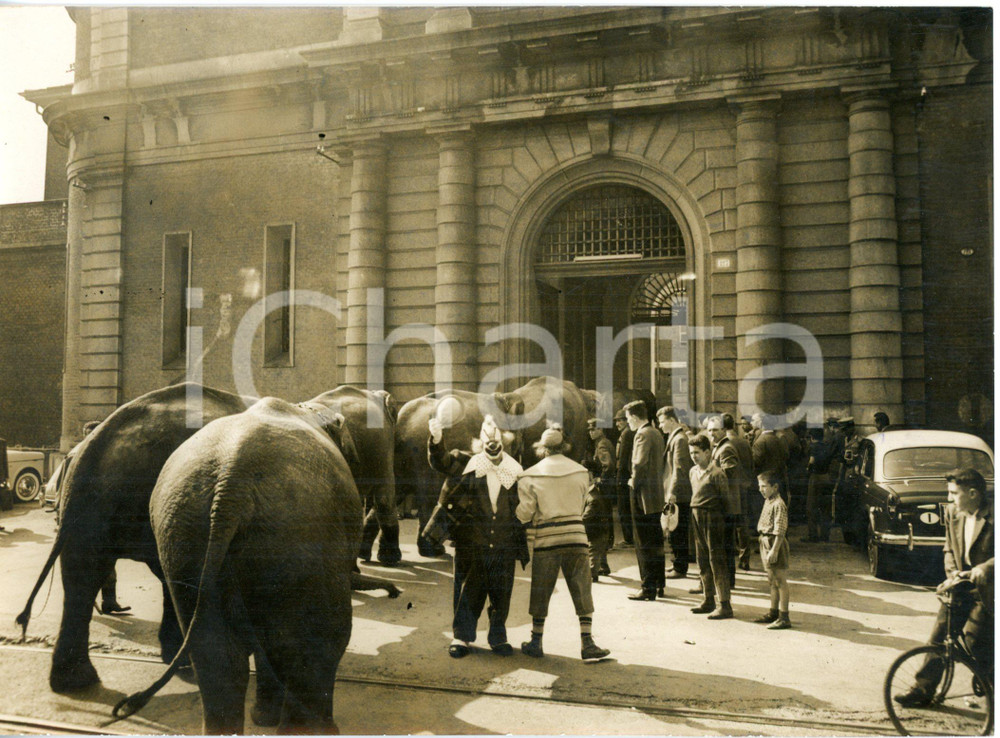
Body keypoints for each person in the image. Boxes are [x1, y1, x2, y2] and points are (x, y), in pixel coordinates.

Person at [422, 414, 528, 658]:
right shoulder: (464, 461)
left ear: (504, 439)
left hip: (504, 543)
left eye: (496, 431)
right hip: (471, 542)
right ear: (479, 439)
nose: (492, 435)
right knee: (468, 590)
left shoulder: (514, 468)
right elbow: (441, 461)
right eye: (487, 430)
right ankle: (461, 637)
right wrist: (437, 440)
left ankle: (498, 637)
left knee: (501, 592)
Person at [894, 468, 994, 707]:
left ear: (972, 493)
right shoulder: (953, 512)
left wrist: (986, 567)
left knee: (976, 641)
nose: (949, 499)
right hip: (960, 586)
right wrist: (952, 575)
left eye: (953, 493)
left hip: (988, 590)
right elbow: (949, 548)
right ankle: (922, 690)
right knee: (940, 636)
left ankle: (989, 681)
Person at [516, 424, 611, 662]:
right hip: (576, 537)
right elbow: (581, 505)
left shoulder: (529, 475)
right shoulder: (580, 471)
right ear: (563, 447)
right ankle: (587, 642)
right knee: (582, 589)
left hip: (546, 539)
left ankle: (536, 641)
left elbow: (525, 514)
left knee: (541, 589)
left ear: (543, 449)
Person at [687, 433, 734, 619]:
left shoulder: (717, 474)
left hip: (713, 518)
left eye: (697, 452)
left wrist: (722, 524)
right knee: (702, 559)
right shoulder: (692, 472)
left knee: (717, 560)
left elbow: (726, 502)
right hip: (696, 515)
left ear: (708, 452)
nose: (694, 456)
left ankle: (725, 604)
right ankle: (708, 599)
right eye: (691, 453)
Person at [624, 400, 666, 600]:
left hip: (642, 494)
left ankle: (647, 587)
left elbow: (639, 463)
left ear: (633, 417)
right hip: (656, 494)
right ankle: (659, 584)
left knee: (643, 542)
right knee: (655, 539)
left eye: (627, 419)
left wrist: (633, 480)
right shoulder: (656, 432)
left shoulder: (641, 434)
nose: (627, 423)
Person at [705, 416, 743, 589]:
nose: (711, 433)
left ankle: (728, 581)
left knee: (726, 544)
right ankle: (728, 580)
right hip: (725, 502)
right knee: (724, 544)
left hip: (726, 504)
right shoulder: (719, 447)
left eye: (715, 430)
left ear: (723, 431)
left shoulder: (726, 448)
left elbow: (729, 474)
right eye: (710, 430)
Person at [656, 406, 692, 580]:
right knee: (675, 529)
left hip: (679, 493)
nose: (661, 426)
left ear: (671, 420)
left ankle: (680, 567)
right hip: (675, 491)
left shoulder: (679, 439)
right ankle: (677, 563)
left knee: (678, 529)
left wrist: (672, 491)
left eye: (662, 422)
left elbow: (679, 469)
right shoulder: (675, 437)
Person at [755, 470, 792, 629]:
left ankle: (784, 617)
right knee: (772, 580)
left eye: (764, 486)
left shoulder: (778, 504)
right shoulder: (768, 500)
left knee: (780, 580)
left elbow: (780, 530)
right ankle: (773, 612)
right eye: (760, 486)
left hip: (774, 543)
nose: (761, 489)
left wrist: (774, 550)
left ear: (775, 487)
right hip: (765, 541)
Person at [582, 418, 616, 581]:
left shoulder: (602, 444)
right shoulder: (602, 443)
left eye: (594, 429)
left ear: (601, 429)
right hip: (606, 489)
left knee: (599, 525)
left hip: (604, 490)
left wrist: (599, 481)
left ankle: (599, 565)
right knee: (602, 524)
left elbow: (608, 466)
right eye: (589, 430)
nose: (591, 432)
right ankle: (603, 564)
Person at [723, 413, 755, 572]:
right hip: (743, 487)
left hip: (728, 488)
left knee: (727, 524)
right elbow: (751, 464)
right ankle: (744, 559)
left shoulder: (723, 443)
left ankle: (729, 558)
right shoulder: (744, 442)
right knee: (743, 524)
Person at [802, 426, 835, 543]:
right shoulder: (827, 446)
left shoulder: (813, 447)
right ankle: (825, 535)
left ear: (811, 437)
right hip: (826, 477)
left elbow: (811, 462)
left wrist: (807, 470)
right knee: (825, 508)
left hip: (815, 478)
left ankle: (813, 535)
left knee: (811, 507)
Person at [751, 413, 790, 506]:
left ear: (762, 425)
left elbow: (756, 462)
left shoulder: (760, 441)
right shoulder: (779, 439)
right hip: (778, 478)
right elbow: (786, 456)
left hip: (765, 480)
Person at [614, 410, 635, 547]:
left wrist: (619, 477)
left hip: (624, 475)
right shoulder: (628, 432)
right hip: (627, 474)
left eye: (620, 420)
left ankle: (628, 539)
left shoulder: (627, 434)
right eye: (616, 421)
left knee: (623, 508)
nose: (617, 424)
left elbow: (623, 457)